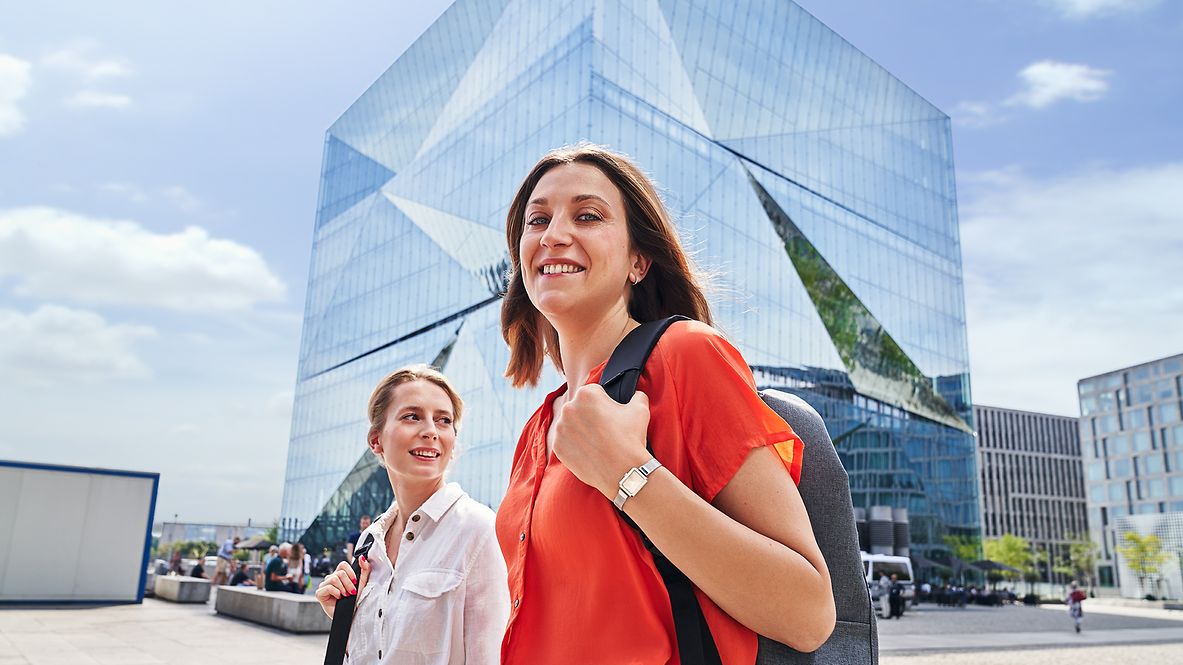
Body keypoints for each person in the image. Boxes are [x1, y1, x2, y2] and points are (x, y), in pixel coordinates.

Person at [494, 145, 835, 664]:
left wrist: (628, 474)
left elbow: (807, 613)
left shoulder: (685, 356)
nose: (553, 234)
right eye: (536, 220)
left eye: (587, 215)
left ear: (639, 260)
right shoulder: (539, 428)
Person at [315, 365, 508, 664]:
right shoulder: (370, 541)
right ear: (376, 440)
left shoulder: (479, 530)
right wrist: (344, 621)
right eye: (412, 416)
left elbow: (491, 657)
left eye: (444, 420)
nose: (431, 430)